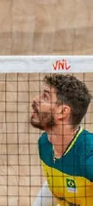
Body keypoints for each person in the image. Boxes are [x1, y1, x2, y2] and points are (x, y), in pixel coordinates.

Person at [30, 73, 92, 206]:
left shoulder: (88, 158)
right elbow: (56, 182)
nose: (35, 99)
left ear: (63, 112)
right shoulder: (45, 144)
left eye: (45, 97)